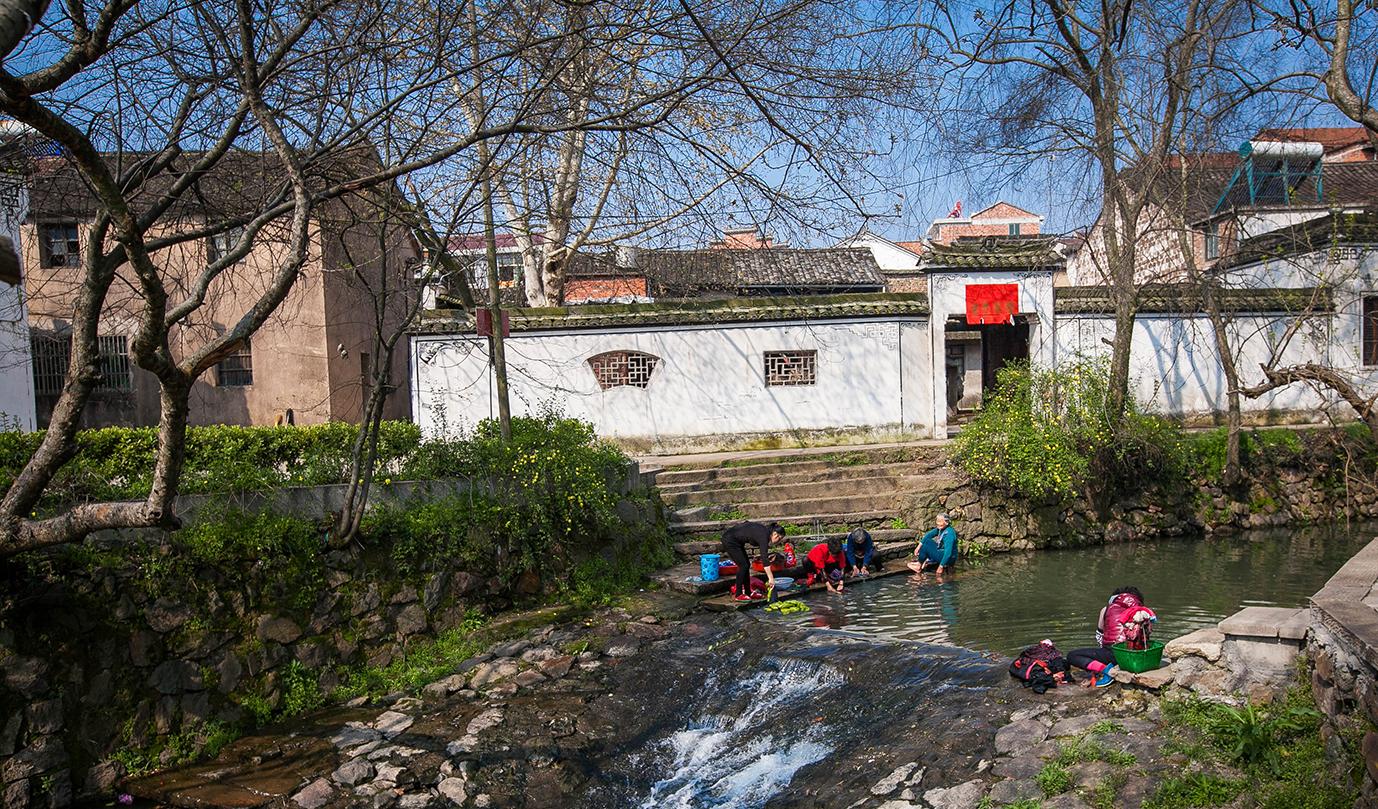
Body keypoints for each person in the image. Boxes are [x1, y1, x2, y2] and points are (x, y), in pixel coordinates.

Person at [1066, 586, 1158, 688]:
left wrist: (1100, 659)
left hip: (1113, 655)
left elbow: (1100, 634)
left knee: (1072, 655)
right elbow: (1147, 635)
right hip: (1137, 657)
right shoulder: (1143, 612)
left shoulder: (1106, 609)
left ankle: (1107, 670)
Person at [721, 521, 784, 602]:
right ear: (775, 534)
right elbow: (764, 559)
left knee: (746, 564)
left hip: (737, 541)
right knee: (743, 565)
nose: (779, 541)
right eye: (780, 538)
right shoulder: (764, 536)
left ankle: (748, 592)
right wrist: (771, 579)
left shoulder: (765, 533)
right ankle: (738, 594)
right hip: (729, 540)